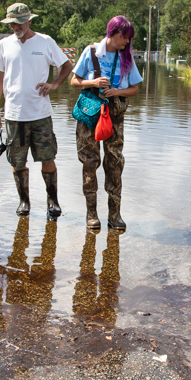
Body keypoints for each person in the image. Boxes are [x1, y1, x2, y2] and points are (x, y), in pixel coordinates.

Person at [0, 3, 73, 218]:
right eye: (12, 23)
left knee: (48, 157)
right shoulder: (3, 45)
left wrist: (54, 85)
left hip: (40, 114)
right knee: (17, 162)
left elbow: (67, 66)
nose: (16, 27)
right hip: (13, 115)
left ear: (29, 21)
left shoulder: (45, 42)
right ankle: (24, 202)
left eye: (19, 22)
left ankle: (52, 200)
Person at [70, 16, 142, 230]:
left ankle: (115, 216)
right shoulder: (91, 52)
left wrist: (117, 91)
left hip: (114, 116)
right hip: (90, 114)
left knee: (115, 163)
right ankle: (91, 215)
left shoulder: (126, 58)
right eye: (125, 37)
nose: (127, 42)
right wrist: (93, 82)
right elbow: (74, 81)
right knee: (89, 162)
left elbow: (135, 89)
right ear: (113, 33)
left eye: (129, 39)